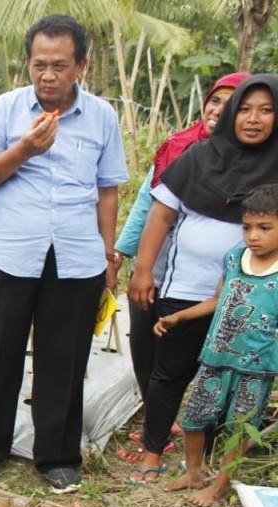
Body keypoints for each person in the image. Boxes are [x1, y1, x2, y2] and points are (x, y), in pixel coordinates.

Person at [0, 15, 128, 493]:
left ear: (81, 65)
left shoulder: (102, 117)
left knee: (65, 358)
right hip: (12, 249)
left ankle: (56, 455)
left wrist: (107, 255)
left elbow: (107, 190)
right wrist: (24, 150)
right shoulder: (5, 110)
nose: (48, 75)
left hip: (76, 255)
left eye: (59, 65)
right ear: (28, 63)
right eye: (39, 65)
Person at [127, 74, 278, 483]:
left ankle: (207, 463)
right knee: (170, 374)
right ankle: (153, 452)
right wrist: (143, 270)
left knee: (230, 380)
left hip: (253, 299)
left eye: (266, 110)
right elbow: (159, 215)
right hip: (186, 290)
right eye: (244, 109)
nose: (253, 118)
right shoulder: (197, 158)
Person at [110, 72, 247, 463]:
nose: (220, 111)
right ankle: (159, 431)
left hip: (216, 287)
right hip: (160, 273)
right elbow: (148, 207)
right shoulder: (180, 149)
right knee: (150, 356)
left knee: (200, 365)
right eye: (215, 101)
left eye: (232, 103)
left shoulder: (260, 163)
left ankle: (203, 441)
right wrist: (126, 256)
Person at [155, 183, 278, 507]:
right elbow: (217, 300)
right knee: (194, 418)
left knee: (240, 428)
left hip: (256, 367)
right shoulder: (235, 259)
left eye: (265, 228)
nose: (253, 236)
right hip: (216, 357)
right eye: (248, 227)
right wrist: (179, 317)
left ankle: (220, 486)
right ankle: (195, 472)